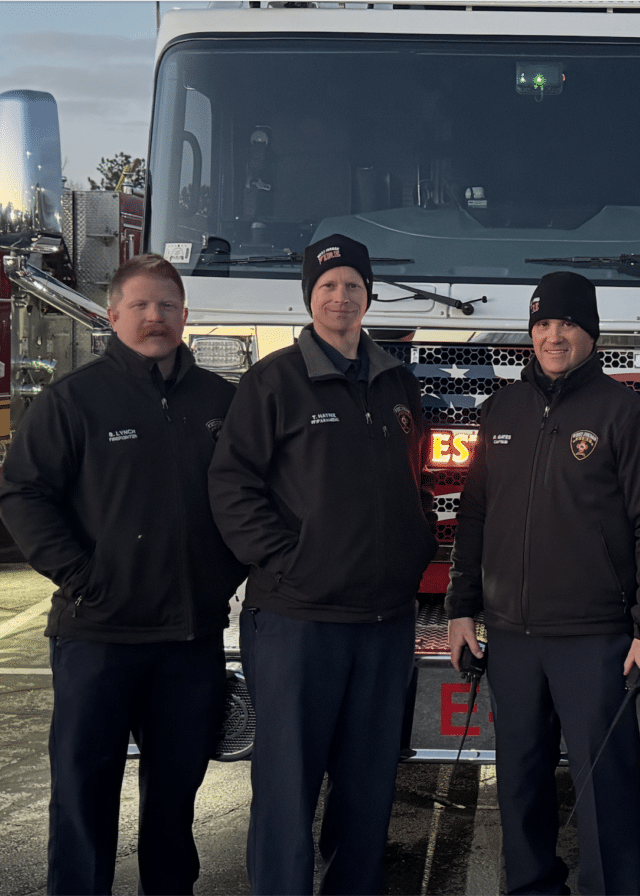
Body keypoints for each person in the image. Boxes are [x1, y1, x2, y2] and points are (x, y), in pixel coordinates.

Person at [0, 254, 245, 896]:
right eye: (139, 305)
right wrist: (82, 576)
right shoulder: (74, 401)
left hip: (188, 643)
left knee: (174, 804)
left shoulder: (224, 403)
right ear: (112, 316)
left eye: (166, 305)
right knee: (84, 800)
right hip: (96, 638)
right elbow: (24, 494)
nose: (154, 316)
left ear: (186, 316)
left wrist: (224, 576)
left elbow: (254, 496)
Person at [207, 233, 437, 896]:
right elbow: (232, 485)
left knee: (367, 792)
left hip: (383, 622)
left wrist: (413, 545)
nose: (341, 297)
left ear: (368, 296)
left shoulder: (397, 381)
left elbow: (415, 476)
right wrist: (288, 560)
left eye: (353, 286)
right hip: (296, 621)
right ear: (310, 295)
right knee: (286, 791)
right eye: (328, 285)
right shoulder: (272, 382)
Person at [447, 271, 640, 896]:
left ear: (591, 332)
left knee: (604, 788)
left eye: (569, 323)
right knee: (519, 784)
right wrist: (460, 608)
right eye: (544, 323)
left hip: (594, 638)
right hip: (512, 639)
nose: (555, 335)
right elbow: (474, 514)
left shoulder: (624, 414)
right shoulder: (501, 410)